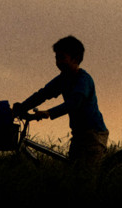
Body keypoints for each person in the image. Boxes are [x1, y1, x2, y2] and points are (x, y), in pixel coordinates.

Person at [13, 36, 109, 165]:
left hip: (93, 134)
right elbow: (43, 94)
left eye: (62, 57)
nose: (58, 62)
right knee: (73, 174)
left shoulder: (83, 80)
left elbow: (74, 103)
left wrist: (49, 112)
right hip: (78, 134)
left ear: (75, 59)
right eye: (56, 58)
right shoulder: (63, 79)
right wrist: (21, 108)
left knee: (86, 176)